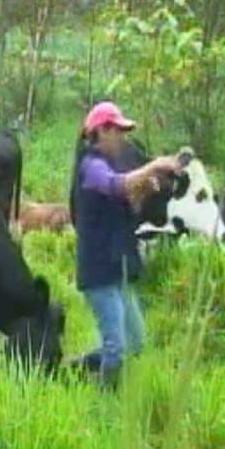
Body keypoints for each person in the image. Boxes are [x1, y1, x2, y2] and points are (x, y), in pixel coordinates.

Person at [67, 101, 184, 389]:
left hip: (118, 267)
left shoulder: (109, 165)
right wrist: (154, 166)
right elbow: (114, 185)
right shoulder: (91, 165)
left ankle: (74, 371)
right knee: (116, 346)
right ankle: (104, 405)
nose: (122, 139)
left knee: (134, 342)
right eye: (117, 131)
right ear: (101, 131)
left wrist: (144, 190)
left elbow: (127, 207)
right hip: (99, 272)